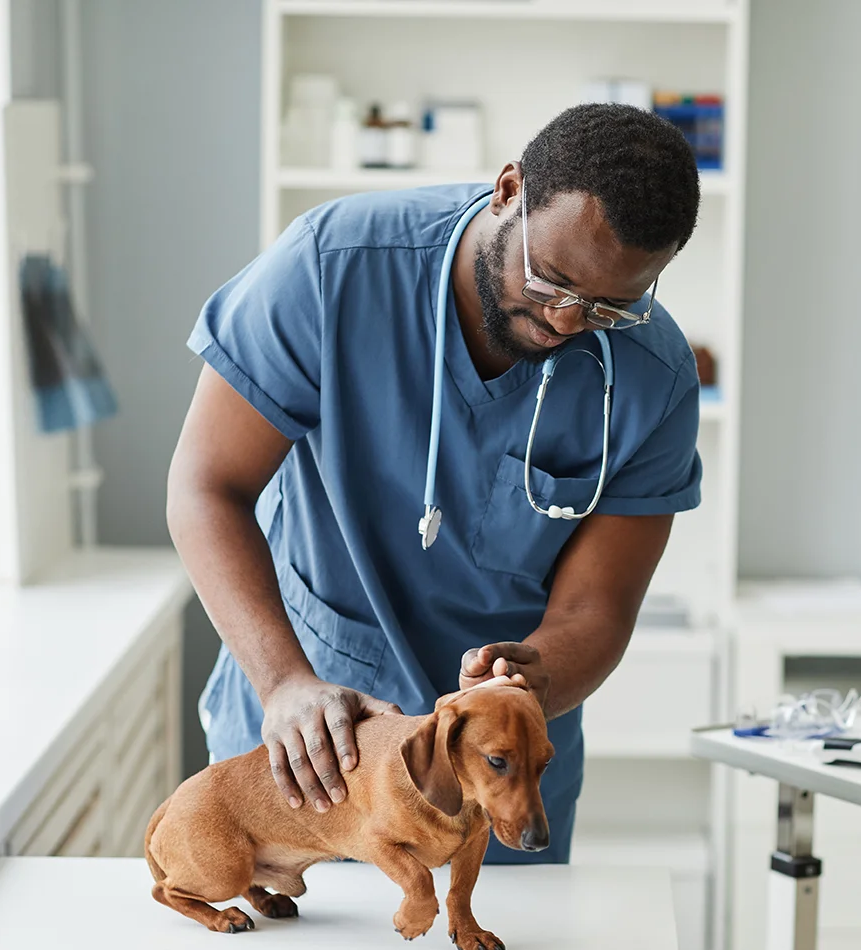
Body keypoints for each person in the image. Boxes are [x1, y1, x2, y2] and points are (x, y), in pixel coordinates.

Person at [168, 103, 702, 864]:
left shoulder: (654, 379)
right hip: (316, 738)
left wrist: (529, 682)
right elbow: (205, 485)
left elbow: (597, 607)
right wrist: (284, 681)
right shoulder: (333, 267)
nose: (565, 321)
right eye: (551, 279)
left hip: (500, 767)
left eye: (610, 306)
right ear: (509, 191)